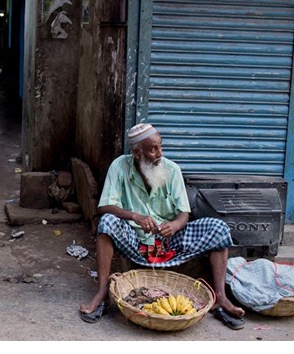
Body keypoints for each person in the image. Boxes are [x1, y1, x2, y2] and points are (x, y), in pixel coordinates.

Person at [79, 123, 245, 330]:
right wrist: (135, 216)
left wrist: (175, 225)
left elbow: (184, 213)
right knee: (107, 223)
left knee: (218, 228)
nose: (159, 153)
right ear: (137, 153)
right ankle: (103, 293)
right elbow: (104, 206)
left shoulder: (172, 169)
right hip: (135, 239)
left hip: (169, 241)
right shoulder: (120, 166)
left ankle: (220, 297)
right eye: (153, 149)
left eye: (160, 146)